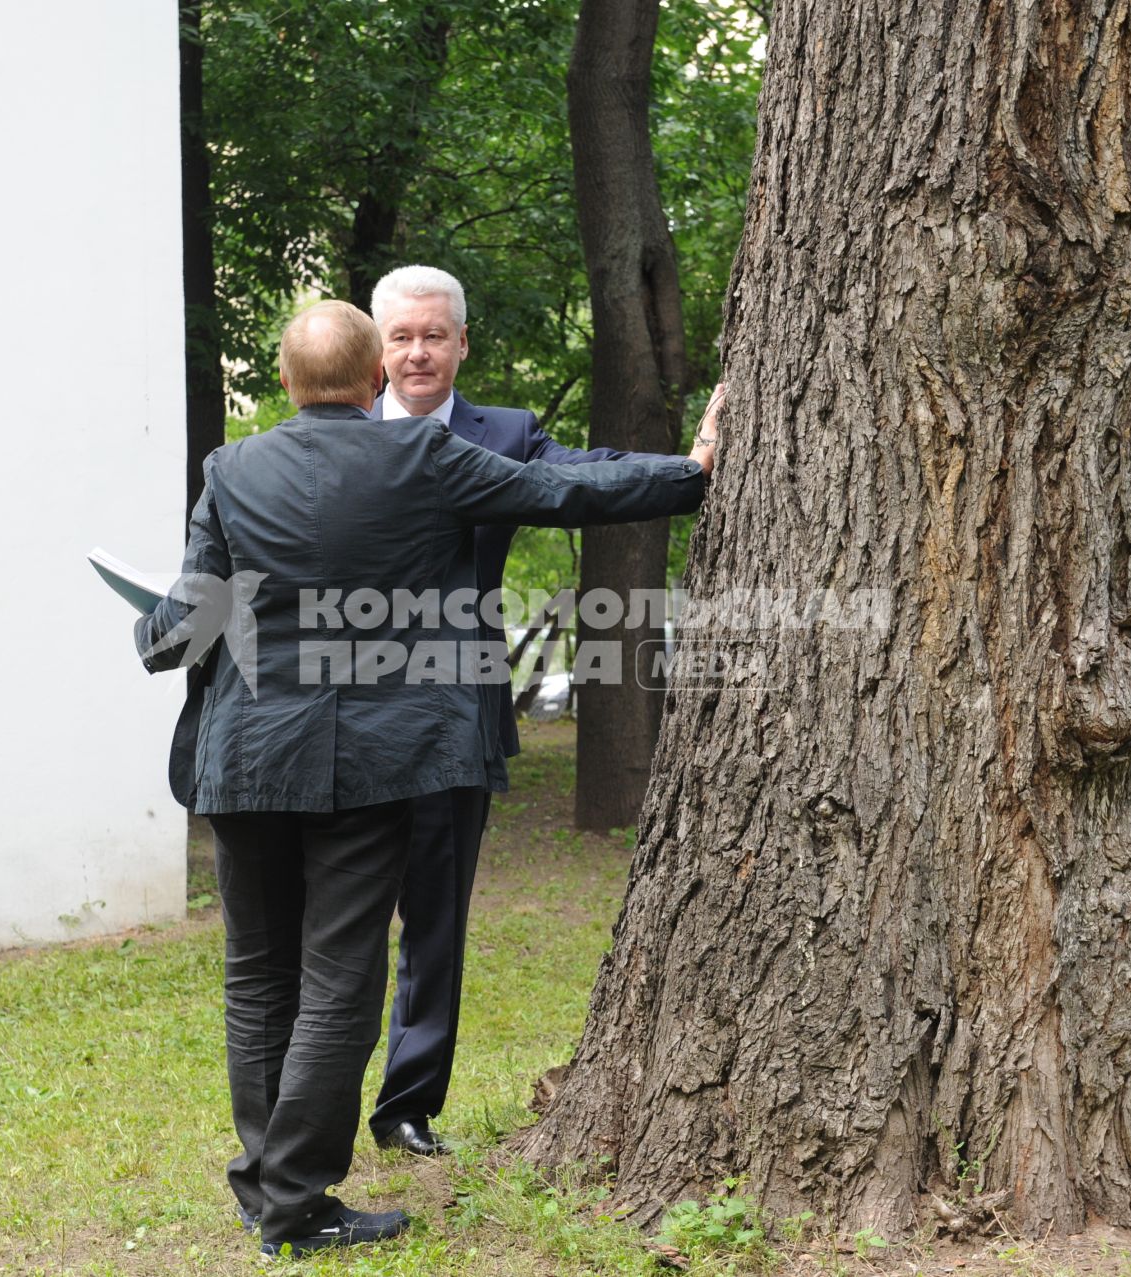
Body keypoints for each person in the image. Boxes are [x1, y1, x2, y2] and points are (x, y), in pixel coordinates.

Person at [135, 300, 720, 1259]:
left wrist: (150, 624)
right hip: (374, 762)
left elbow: (180, 627)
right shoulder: (420, 455)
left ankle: (266, 1186)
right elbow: (566, 493)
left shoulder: (232, 469)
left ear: (286, 383)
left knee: (257, 980)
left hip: (246, 761)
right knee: (338, 984)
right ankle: (293, 1197)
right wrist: (690, 474)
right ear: (374, 382)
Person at [365, 264, 724, 1156]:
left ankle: (406, 1103)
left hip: (458, 717)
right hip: (347, 712)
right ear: (378, 349)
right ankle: (316, 1097)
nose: (418, 352)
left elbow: (586, 480)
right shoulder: (331, 433)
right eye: (402, 337)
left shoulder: (504, 436)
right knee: (338, 917)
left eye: (434, 336)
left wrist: (689, 471)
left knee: (437, 916)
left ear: (461, 344)